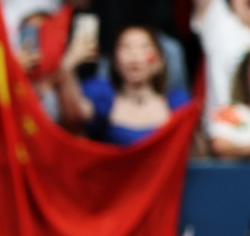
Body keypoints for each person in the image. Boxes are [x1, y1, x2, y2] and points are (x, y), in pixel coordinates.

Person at [57, 22, 188, 145]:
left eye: (144, 47)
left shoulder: (178, 103)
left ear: (160, 61)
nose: (135, 55)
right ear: (114, 61)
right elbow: (76, 116)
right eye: (126, 47)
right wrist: (67, 68)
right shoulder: (102, 96)